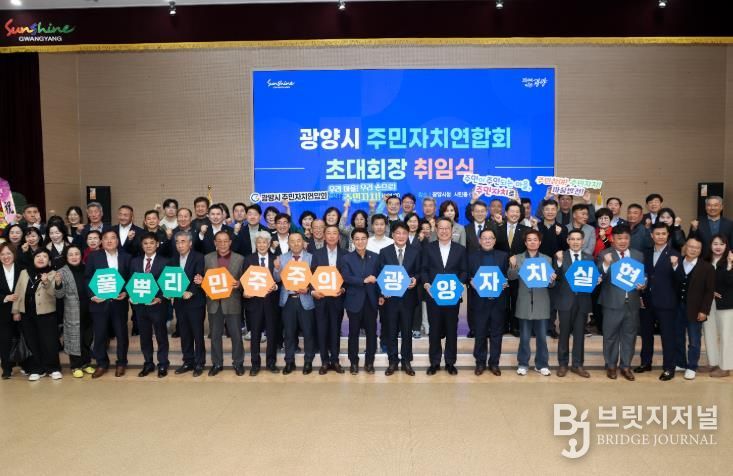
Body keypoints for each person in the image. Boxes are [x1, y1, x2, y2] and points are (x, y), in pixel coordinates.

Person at [597, 225, 645, 381]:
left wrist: (644, 283)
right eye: (619, 238)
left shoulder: (638, 255)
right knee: (610, 336)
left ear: (630, 239)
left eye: (626, 238)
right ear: (612, 239)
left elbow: (643, 275)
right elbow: (599, 275)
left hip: (632, 303)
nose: (623, 241)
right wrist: (606, 264)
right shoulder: (605, 254)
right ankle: (611, 365)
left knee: (629, 336)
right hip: (612, 303)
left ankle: (626, 366)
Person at [421, 217, 467, 376]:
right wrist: (426, 284)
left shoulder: (460, 249)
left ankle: (450, 362)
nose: (444, 231)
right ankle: (434, 362)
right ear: (436, 229)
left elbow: (464, 271)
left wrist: (459, 284)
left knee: (451, 330)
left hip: (452, 297)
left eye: (447, 228)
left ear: (452, 230)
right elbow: (424, 270)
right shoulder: (428, 248)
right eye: (441, 228)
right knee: (434, 330)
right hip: (433, 296)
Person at [508, 229, 556, 376]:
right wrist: (513, 266)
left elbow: (551, 285)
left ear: (540, 242)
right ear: (525, 242)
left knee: (542, 337)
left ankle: (542, 364)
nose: (532, 242)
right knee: (524, 337)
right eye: (529, 240)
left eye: (535, 239)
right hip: (524, 302)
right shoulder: (518, 258)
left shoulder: (547, 259)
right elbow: (511, 277)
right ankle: (523, 363)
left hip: (542, 302)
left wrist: (552, 279)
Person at [636, 222, 681, 380]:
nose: (660, 236)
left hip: (667, 302)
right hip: (647, 300)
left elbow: (680, 280)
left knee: (668, 336)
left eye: (663, 234)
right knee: (646, 334)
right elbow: (642, 276)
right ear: (652, 235)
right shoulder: (646, 253)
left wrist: (675, 266)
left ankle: (669, 367)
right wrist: (641, 292)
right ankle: (645, 363)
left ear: (668, 235)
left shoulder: (675, 254)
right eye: (657, 234)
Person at [85, 230, 131, 378]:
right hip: (99, 303)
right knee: (100, 335)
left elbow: (131, 278)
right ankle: (101, 363)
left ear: (117, 241)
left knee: (121, 334)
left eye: (113, 238)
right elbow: (87, 278)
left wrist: (126, 293)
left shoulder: (126, 257)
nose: (109, 241)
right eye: (106, 238)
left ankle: (121, 362)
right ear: (101, 242)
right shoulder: (93, 257)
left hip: (119, 303)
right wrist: (92, 296)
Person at [199, 230, 245, 376]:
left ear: (230, 242)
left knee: (236, 335)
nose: (223, 244)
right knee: (215, 336)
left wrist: (240, 284)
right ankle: (217, 363)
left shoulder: (240, 259)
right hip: (214, 303)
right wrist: (201, 282)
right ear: (215, 243)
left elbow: (245, 280)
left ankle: (238, 363)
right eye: (219, 241)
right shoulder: (207, 258)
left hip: (232, 302)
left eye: (226, 241)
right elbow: (204, 278)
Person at [11, 249, 60, 381]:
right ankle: (36, 369)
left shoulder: (53, 273)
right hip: (27, 313)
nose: (41, 258)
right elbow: (18, 291)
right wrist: (16, 311)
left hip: (47, 313)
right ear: (33, 259)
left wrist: (46, 282)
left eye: (44, 256)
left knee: (49, 342)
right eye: (38, 256)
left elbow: (55, 294)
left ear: (49, 260)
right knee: (31, 341)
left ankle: (53, 368)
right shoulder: (24, 272)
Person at [378, 222, 420, 376]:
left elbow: (420, 271)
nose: (401, 236)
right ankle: (392, 361)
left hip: (408, 299)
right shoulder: (384, 252)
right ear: (393, 235)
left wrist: (416, 279)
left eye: (404, 233)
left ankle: (406, 361)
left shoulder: (415, 252)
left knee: (407, 332)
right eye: (398, 233)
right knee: (391, 331)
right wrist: (382, 291)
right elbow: (379, 273)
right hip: (391, 300)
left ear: (408, 235)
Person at [552, 229, 594, 377]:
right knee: (563, 334)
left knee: (579, 335)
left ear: (583, 241)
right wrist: (558, 262)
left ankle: (577, 365)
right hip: (565, 301)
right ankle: (563, 364)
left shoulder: (589, 258)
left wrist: (596, 280)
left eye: (578, 239)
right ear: (568, 241)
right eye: (573, 239)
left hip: (582, 302)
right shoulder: (560, 256)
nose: (575, 242)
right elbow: (555, 277)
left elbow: (592, 279)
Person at [273, 232, 316, 375]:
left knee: (308, 332)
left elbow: (316, 279)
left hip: (306, 299)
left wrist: (308, 288)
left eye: (298, 241)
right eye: (292, 241)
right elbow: (276, 279)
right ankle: (289, 361)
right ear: (288, 244)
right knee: (289, 333)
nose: (296, 244)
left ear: (303, 243)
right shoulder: (282, 258)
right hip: (288, 300)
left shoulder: (311, 258)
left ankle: (308, 361)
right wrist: (277, 268)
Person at [467, 228, 508, 376]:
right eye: (484, 238)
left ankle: (494, 363)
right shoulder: (471, 257)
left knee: (497, 334)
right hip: (479, 301)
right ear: (480, 240)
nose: (487, 240)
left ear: (495, 240)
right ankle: (480, 363)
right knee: (480, 333)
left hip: (498, 301)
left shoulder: (503, 256)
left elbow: (506, 275)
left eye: (490, 238)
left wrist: (506, 282)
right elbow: (467, 274)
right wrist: (470, 280)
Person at [674, 236, 715, 380]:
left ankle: (692, 366)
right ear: (685, 247)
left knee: (694, 339)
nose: (693, 250)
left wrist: (704, 310)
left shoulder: (707, 268)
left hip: (696, 309)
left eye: (697, 248)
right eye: (691, 246)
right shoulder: (677, 262)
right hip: (677, 307)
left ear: (701, 250)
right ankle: (680, 362)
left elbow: (709, 292)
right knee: (678, 337)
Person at [130, 233, 170, 377]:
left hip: (158, 306)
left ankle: (163, 364)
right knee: (145, 336)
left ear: (157, 244)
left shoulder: (165, 261)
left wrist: (159, 298)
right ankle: (148, 363)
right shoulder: (134, 262)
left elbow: (168, 284)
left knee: (161, 336)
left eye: (151, 243)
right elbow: (131, 281)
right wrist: (131, 296)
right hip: (140, 306)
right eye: (145, 243)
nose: (148, 246)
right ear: (142, 245)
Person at [341, 228, 380, 374]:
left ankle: (369, 362)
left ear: (367, 240)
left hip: (371, 301)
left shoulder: (375, 257)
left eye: (363, 238)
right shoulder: (346, 258)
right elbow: (346, 277)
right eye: (357, 239)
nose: (360, 241)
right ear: (353, 241)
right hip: (354, 301)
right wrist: (364, 280)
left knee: (372, 334)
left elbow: (379, 278)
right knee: (353, 334)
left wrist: (381, 295)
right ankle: (354, 362)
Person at [242, 231, 282, 375]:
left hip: (271, 303)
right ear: (256, 244)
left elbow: (282, 280)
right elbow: (244, 280)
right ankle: (255, 364)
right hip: (254, 303)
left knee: (272, 334)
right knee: (255, 335)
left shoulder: (276, 259)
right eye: (259, 242)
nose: (261, 245)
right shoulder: (248, 259)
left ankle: (271, 363)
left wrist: (276, 287)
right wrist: (244, 292)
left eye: (264, 242)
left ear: (269, 243)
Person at [310, 224, 347, 375]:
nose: (331, 236)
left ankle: (335, 360)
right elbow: (310, 276)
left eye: (334, 233)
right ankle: (324, 361)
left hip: (337, 299)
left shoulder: (345, 254)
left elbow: (347, 277)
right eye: (329, 233)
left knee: (335, 330)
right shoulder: (316, 254)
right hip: (321, 299)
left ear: (339, 237)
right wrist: (313, 291)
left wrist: (343, 289)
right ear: (324, 236)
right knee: (322, 330)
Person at [54, 245, 94, 378]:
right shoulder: (61, 272)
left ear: (81, 255)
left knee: (87, 338)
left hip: (89, 309)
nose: (74, 257)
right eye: (70, 254)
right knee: (74, 339)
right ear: (66, 257)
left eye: (77, 254)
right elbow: (59, 295)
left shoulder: (87, 268)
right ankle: (75, 365)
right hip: (72, 311)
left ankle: (86, 363)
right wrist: (58, 284)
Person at [170, 231, 206, 377]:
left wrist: (191, 291)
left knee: (197, 334)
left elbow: (199, 277)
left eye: (183, 241)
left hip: (195, 301)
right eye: (177, 242)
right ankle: (188, 361)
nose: (180, 245)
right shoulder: (173, 259)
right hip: (179, 302)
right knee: (184, 333)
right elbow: (170, 278)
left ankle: (199, 363)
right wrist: (169, 291)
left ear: (190, 243)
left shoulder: (199, 257)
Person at [495, 201, 529, 336]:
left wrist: (518, 259)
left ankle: (515, 327)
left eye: (517, 212)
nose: (514, 214)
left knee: (517, 299)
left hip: (519, 270)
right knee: (502, 300)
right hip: (500, 270)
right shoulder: (498, 227)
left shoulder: (526, 230)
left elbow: (529, 250)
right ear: (506, 213)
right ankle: (503, 326)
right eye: (512, 211)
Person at [709, 235, 733, 378]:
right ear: (710, 245)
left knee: (726, 335)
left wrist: (730, 265)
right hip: (708, 302)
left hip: (726, 303)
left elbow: (730, 282)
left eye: (722, 244)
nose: (718, 247)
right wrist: (710, 291)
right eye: (715, 243)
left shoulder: (730, 260)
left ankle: (726, 366)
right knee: (709, 332)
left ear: (726, 246)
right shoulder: (705, 260)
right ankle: (713, 362)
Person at [0, 242, 21, 379]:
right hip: (2, 311)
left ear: (14, 254)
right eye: (2, 254)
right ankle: (6, 368)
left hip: (21, 310)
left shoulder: (22, 268)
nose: (6, 256)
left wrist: (17, 310)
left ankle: (27, 365)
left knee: (24, 338)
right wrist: (5, 297)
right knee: (4, 341)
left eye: (8, 253)